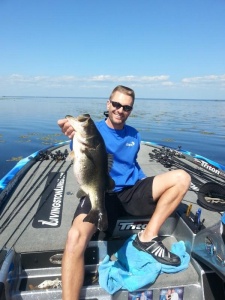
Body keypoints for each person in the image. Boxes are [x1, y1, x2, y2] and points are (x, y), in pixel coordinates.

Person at [58, 85, 191, 300]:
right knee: (75, 237)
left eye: (126, 107)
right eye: (117, 104)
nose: (120, 110)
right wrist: (69, 131)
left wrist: (150, 187)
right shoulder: (94, 131)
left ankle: (147, 237)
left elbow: (132, 165)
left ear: (131, 110)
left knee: (182, 178)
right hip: (102, 192)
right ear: (108, 104)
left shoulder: (134, 135)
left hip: (131, 191)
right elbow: (76, 144)